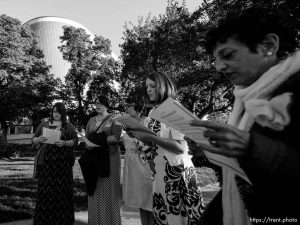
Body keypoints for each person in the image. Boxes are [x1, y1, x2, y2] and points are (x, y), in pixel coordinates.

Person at [187, 8, 300, 225]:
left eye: (228, 55)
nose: (219, 67)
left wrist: (251, 147)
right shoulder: (244, 100)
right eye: (215, 60)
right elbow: (238, 182)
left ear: (268, 46)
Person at [128, 71, 205, 225]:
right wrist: (138, 135)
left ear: (163, 86)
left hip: (177, 176)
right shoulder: (152, 112)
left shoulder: (174, 109)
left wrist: (150, 137)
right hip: (159, 175)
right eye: (147, 86)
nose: (148, 90)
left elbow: (181, 147)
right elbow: (155, 144)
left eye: (152, 86)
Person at [32, 102, 78, 225]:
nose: (56, 114)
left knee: (63, 193)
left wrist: (65, 143)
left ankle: (63, 221)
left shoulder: (68, 126)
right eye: (54, 111)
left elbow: (75, 141)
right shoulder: (44, 124)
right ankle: (44, 221)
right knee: (45, 192)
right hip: (47, 164)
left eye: (58, 112)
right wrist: (39, 139)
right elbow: (34, 139)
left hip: (64, 165)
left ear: (63, 113)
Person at [85, 95, 122, 225]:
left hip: (110, 158)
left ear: (107, 105)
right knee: (95, 188)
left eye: (100, 103)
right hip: (94, 158)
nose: (97, 105)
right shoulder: (91, 120)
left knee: (110, 189)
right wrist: (88, 143)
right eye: (95, 103)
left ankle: (111, 221)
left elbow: (116, 138)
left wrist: (98, 140)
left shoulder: (115, 119)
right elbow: (86, 138)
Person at [122, 103, 153, 225]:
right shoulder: (127, 124)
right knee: (141, 201)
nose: (126, 109)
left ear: (137, 107)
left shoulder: (146, 121)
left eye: (128, 106)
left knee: (149, 200)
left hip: (144, 162)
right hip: (131, 164)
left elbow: (150, 143)